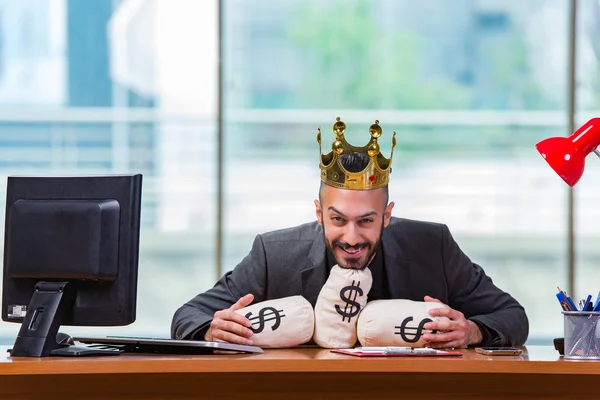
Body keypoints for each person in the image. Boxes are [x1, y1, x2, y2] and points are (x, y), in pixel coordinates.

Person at [171, 117, 529, 349]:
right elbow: (186, 317)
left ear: (388, 216)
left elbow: (513, 316)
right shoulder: (273, 253)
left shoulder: (432, 246)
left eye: (367, 221)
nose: (353, 236)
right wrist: (210, 331)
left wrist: (472, 331)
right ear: (318, 213)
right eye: (338, 219)